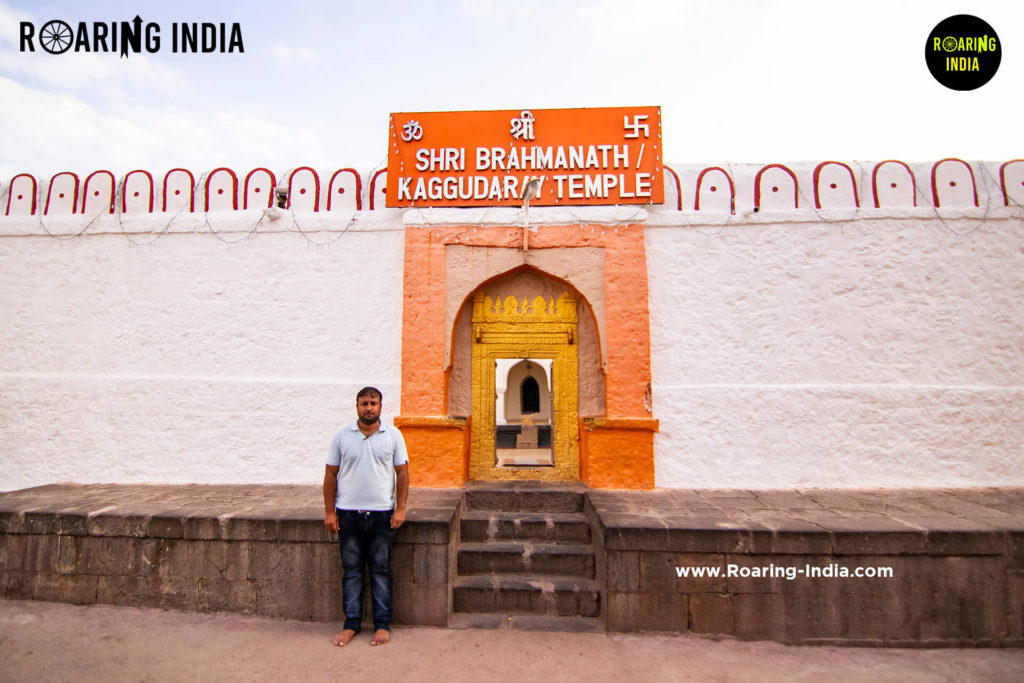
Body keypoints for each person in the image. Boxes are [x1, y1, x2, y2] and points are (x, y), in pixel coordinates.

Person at [323, 386, 409, 647]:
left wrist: (401, 508)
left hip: (382, 515)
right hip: (348, 515)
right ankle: (351, 624)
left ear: (381, 406)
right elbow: (330, 475)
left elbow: (403, 474)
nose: (369, 408)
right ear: (357, 406)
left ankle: (382, 625)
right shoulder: (342, 436)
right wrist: (329, 512)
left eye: (373, 403)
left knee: (381, 571)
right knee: (351, 572)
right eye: (364, 403)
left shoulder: (393, 436)